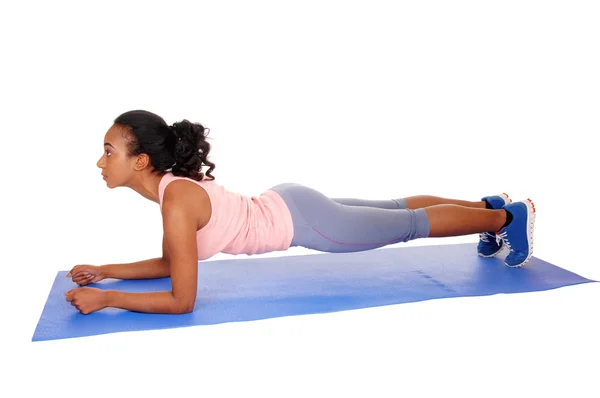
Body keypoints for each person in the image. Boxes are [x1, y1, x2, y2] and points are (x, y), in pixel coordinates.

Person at [65, 110, 536, 315]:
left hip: (308, 223)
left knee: (407, 224)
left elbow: (181, 299)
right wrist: (105, 273)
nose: (100, 161)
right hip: (290, 200)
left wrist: (109, 299)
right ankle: (488, 207)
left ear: (140, 160)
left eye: (109, 151)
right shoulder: (174, 193)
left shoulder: (176, 202)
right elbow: (173, 264)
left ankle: (507, 218)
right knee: (396, 208)